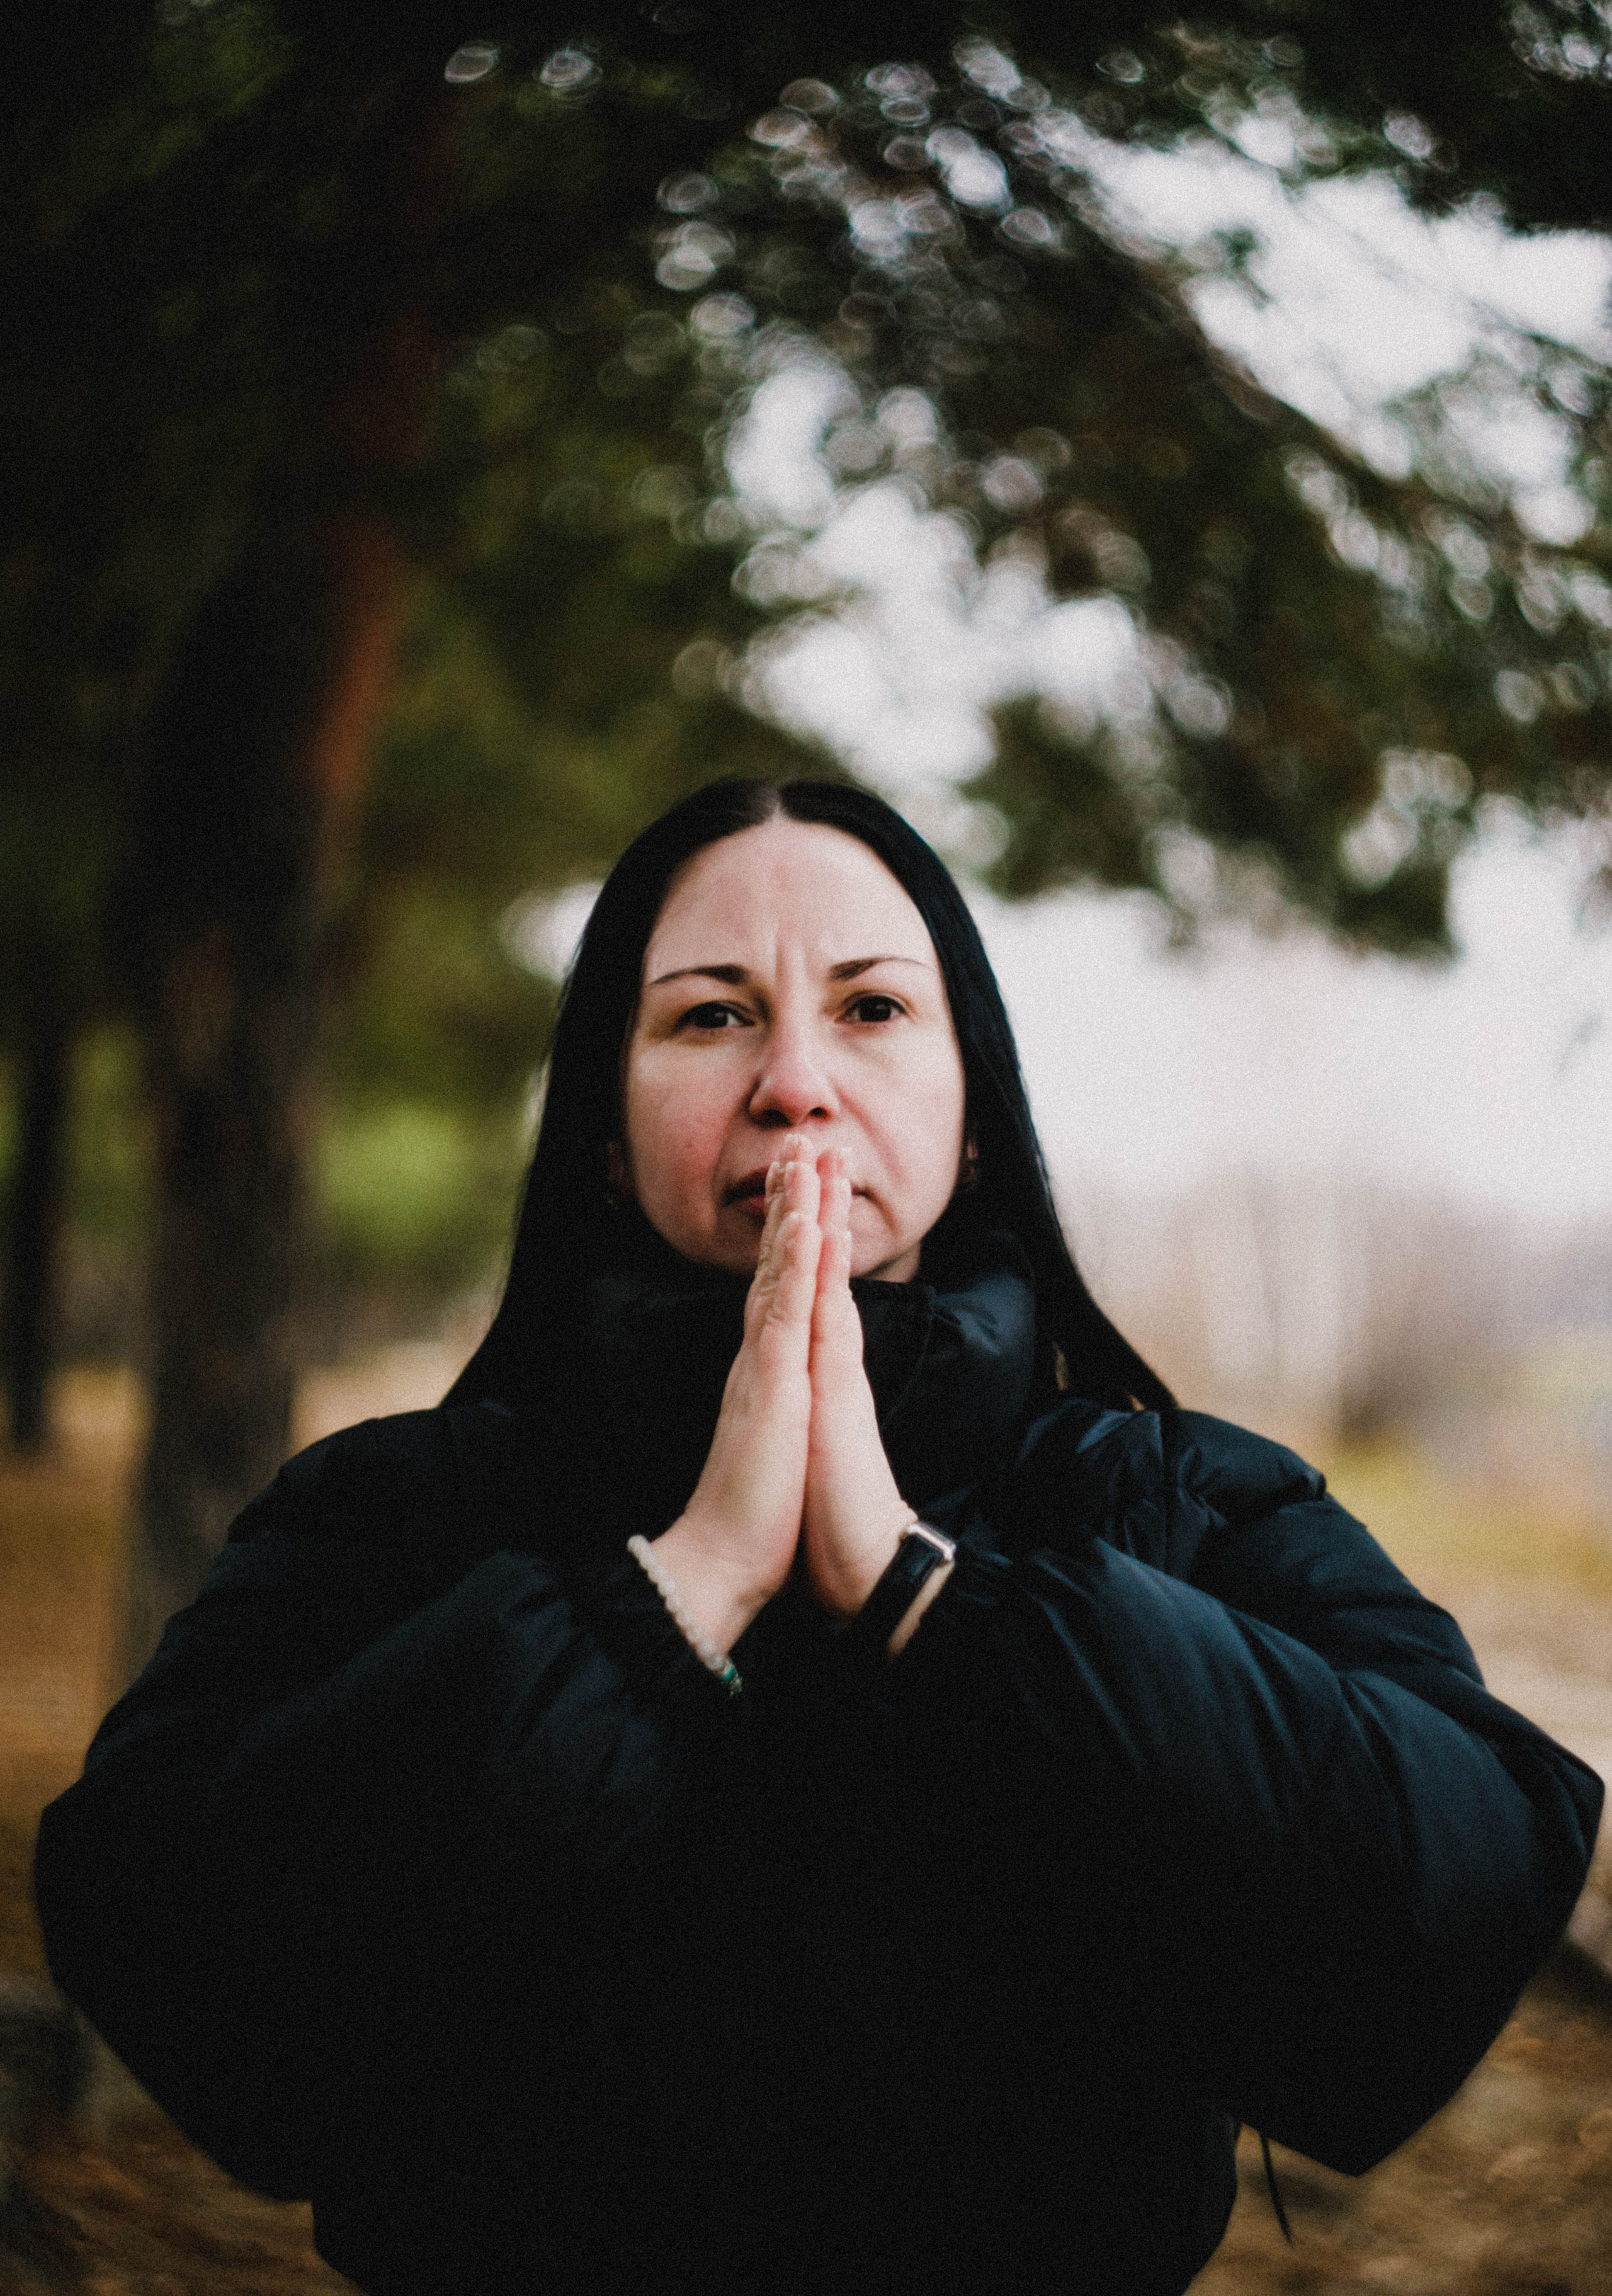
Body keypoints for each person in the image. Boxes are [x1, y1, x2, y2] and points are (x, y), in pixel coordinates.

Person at [35, 777, 1602, 2296]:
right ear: (598, 1130)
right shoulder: (394, 1518)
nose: (794, 1080)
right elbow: (181, 1956)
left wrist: (932, 1602)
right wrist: (666, 1604)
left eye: (869, 1009)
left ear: (974, 1119)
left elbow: (1445, 1906)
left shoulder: (1184, 1505)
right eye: (711, 1014)